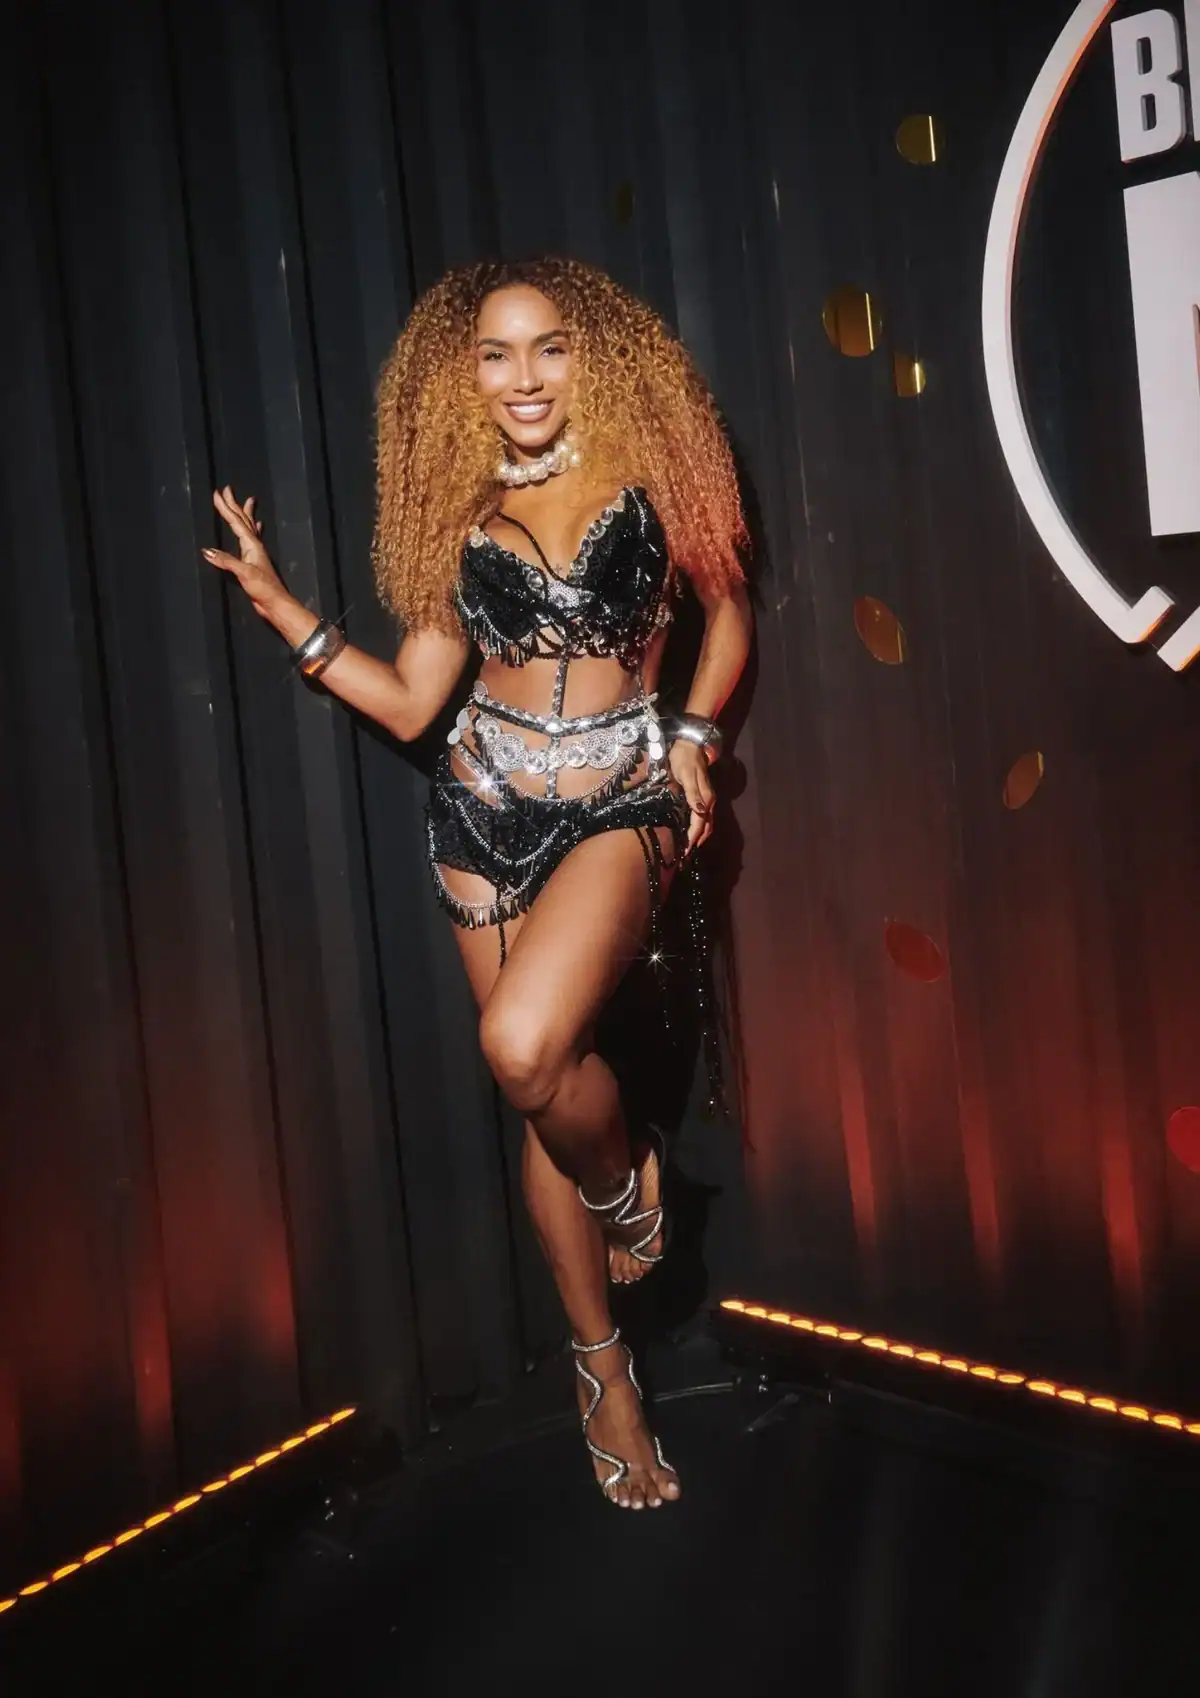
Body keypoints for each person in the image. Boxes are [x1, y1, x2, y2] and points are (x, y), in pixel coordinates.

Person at [204, 257, 752, 1510]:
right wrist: (286, 609)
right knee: (538, 1093)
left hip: (622, 797)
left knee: (521, 1044)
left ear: (590, 352)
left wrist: (694, 735)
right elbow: (413, 702)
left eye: (548, 347)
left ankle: (631, 1186)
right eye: (496, 355)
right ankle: (602, 1368)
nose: (524, 378)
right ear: (465, 377)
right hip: (478, 812)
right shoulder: (458, 510)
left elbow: (728, 614)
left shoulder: (655, 468)